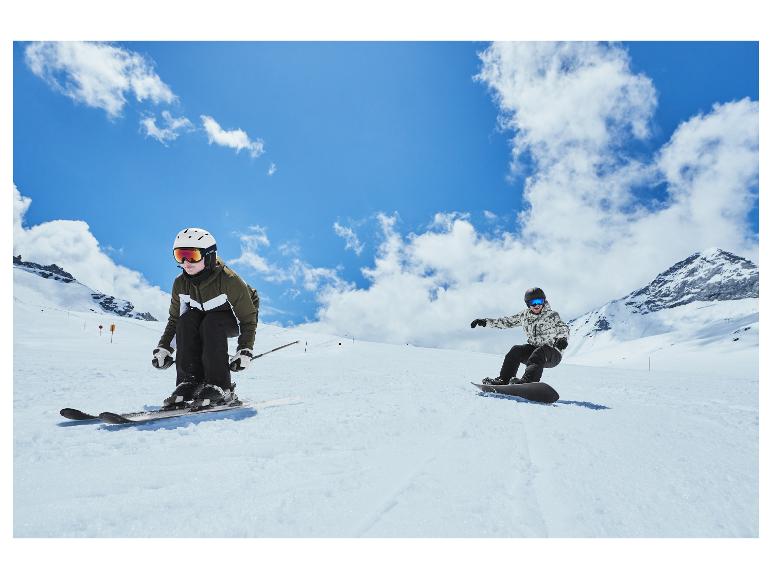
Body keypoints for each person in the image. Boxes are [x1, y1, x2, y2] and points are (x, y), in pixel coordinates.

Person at [152, 228, 260, 408]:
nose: (186, 262)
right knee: (187, 321)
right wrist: (164, 348)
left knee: (212, 323)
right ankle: (189, 382)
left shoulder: (229, 281)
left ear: (209, 256)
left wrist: (245, 350)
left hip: (233, 317)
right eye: (180, 256)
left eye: (192, 255)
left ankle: (220, 387)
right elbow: (176, 320)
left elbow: (247, 319)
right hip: (204, 314)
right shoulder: (181, 283)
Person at [471, 287, 569, 385]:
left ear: (543, 301)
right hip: (534, 351)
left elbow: (562, 327)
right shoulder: (524, 315)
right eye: (533, 302)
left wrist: (562, 338)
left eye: (539, 301)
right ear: (528, 303)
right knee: (516, 350)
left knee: (539, 352)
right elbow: (507, 322)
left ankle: (528, 382)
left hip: (552, 353)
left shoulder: (552, 315)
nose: (536, 305)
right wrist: (485, 322)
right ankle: (504, 380)